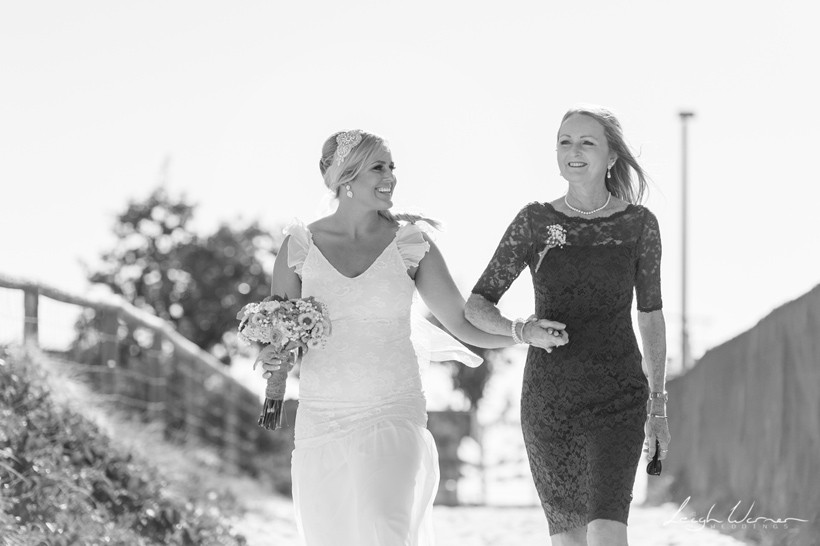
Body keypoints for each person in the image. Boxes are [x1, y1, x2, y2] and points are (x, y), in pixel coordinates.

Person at [256, 129, 567, 546]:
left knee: (387, 528)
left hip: (393, 410)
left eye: (392, 167)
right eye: (378, 167)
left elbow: (461, 322)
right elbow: (284, 337)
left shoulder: (409, 243)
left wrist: (522, 333)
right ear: (344, 176)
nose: (391, 177)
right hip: (322, 418)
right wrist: (274, 358)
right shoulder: (298, 246)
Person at [464, 105, 670, 546]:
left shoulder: (638, 226)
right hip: (550, 400)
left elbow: (650, 313)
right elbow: (477, 305)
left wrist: (658, 405)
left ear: (612, 157)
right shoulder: (534, 222)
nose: (573, 151)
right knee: (571, 540)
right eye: (564, 141)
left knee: (607, 532)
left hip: (618, 396)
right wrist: (523, 330)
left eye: (587, 142)